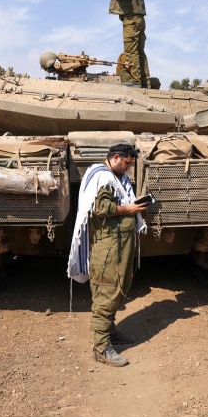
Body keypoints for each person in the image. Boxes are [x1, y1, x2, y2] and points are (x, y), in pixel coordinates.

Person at [67, 142, 148, 367]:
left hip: (119, 244)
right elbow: (101, 209)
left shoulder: (114, 178)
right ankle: (101, 348)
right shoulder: (103, 178)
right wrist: (130, 210)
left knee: (120, 287)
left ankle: (110, 332)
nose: (128, 168)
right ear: (115, 158)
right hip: (109, 247)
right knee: (107, 293)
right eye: (126, 163)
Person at [109, 0, 150, 88]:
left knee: (130, 51)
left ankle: (135, 81)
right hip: (140, 20)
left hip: (131, 20)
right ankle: (145, 81)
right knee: (139, 52)